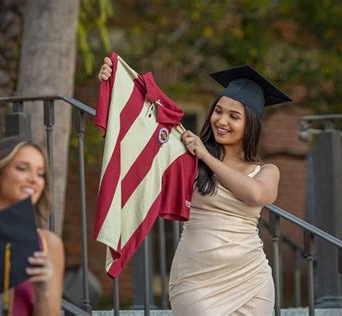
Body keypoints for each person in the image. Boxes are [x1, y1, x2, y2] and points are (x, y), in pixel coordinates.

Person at [98, 56, 291, 315]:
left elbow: (256, 194)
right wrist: (114, 86)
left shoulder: (266, 171)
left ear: (250, 126)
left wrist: (207, 157)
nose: (221, 121)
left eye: (234, 116)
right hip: (196, 281)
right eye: (218, 111)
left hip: (251, 279)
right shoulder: (188, 157)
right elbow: (136, 141)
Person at [0, 136, 64, 316]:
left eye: (40, 174)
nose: (34, 179)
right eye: (22, 168)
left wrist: (44, 291)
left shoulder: (49, 244)